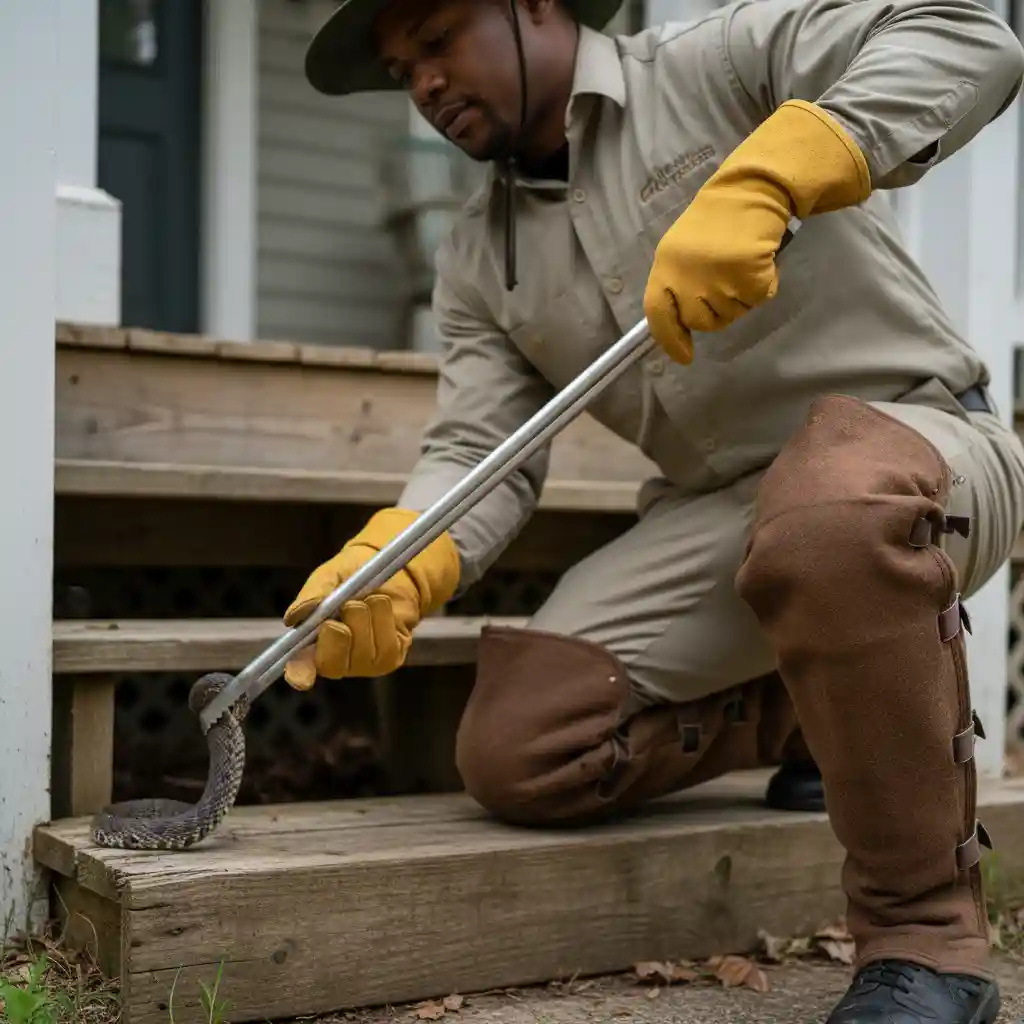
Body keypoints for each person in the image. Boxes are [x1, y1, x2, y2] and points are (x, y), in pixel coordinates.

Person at [287, 0, 1024, 1020]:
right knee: (518, 747)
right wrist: (403, 558)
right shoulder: (475, 256)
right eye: (400, 66)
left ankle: (925, 940)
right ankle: (812, 701)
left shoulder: (711, 63)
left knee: (827, 518)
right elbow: (478, 452)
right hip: (727, 514)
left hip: (921, 445)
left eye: (438, 36)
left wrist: (781, 166)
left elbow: (967, 36)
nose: (422, 83)